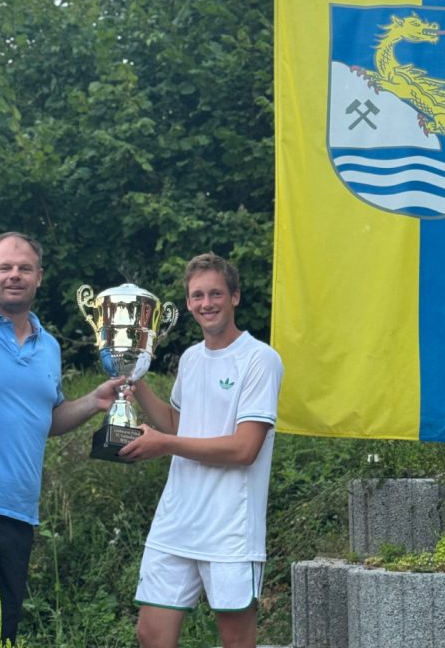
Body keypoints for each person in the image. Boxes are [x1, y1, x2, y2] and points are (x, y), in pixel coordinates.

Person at [0, 231, 122, 643]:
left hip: (18, 516)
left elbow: (44, 420)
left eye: (24, 268)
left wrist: (94, 401)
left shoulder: (48, 346)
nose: (14, 275)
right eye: (5, 267)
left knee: (0, 635)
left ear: (39, 277)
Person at [119, 253, 283, 648]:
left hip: (230, 529)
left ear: (235, 297)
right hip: (176, 520)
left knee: (235, 643)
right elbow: (177, 424)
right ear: (188, 302)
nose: (206, 304)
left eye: (215, 294)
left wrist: (164, 446)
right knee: (151, 635)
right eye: (197, 296)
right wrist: (137, 384)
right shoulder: (191, 359)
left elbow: (246, 448)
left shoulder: (260, 359)